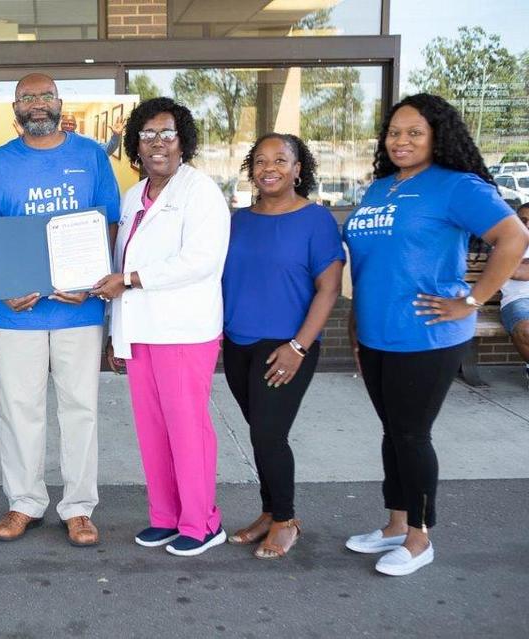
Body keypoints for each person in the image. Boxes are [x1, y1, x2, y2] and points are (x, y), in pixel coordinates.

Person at [344, 93, 528, 576]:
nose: (401, 141)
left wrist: (473, 299)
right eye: (394, 132)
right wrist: (356, 322)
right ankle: (395, 525)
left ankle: (420, 537)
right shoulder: (380, 188)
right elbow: (371, 264)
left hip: (427, 335)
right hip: (377, 332)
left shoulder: (456, 186)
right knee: (393, 433)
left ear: (437, 137)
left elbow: (514, 237)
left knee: (411, 434)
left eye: (414, 133)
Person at [0, 73, 120, 546]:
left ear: (59, 102)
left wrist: (93, 283)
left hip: (79, 309)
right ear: (16, 108)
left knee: (80, 410)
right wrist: (3, 287)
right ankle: (24, 502)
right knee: (20, 410)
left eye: (45, 96)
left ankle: (78, 507)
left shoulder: (91, 156)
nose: (37, 103)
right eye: (27, 97)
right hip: (19, 313)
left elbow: (109, 224)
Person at [92, 97, 230, 557]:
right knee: (153, 431)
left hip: (183, 331)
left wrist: (131, 280)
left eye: (167, 134)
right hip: (140, 331)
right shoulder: (134, 196)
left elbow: (200, 260)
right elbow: (118, 261)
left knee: (187, 430)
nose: (157, 143)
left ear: (182, 141)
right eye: (148, 135)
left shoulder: (200, 192)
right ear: (136, 143)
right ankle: (166, 518)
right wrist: (117, 335)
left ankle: (203, 523)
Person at [221, 133, 345, 559]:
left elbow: (329, 289)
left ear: (297, 169)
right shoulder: (237, 220)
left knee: (269, 434)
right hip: (238, 343)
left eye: (280, 160)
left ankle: (286, 519)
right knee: (260, 434)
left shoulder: (316, 220)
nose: (268, 168)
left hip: (287, 346)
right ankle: (269, 512)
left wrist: (299, 347)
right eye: (260, 160)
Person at [499, 202, 529, 385]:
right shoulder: (505, 243)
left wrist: (523, 263)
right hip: (518, 300)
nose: (527, 225)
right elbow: (517, 273)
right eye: (523, 220)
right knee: (526, 330)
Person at [60, 112, 124, 157]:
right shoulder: (54, 140)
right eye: (65, 123)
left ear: (76, 126)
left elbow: (105, 151)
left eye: (71, 124)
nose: (68, 126)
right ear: (61, 125)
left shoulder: (85, 141)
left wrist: (116, 136)